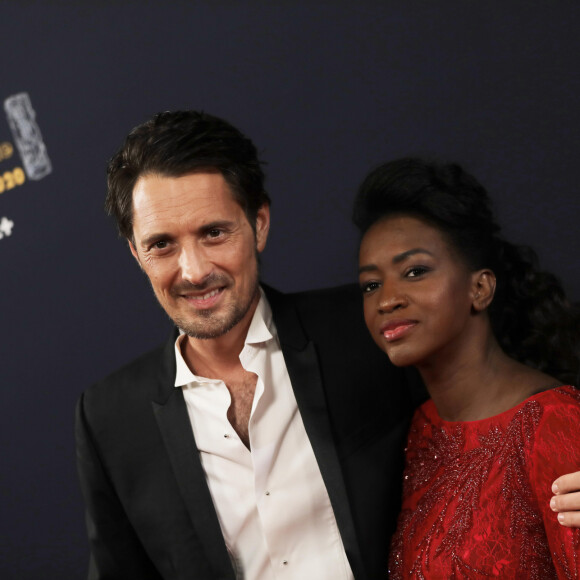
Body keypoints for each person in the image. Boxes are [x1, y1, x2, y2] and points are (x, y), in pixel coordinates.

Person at [75, 111, 423, 580]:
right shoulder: (110, 419)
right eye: (162, 244)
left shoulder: (363, 327)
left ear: (258, 223)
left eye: (213, 233)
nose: (194, 271)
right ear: (137, 254)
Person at [353, 157, 580, 578]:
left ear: (480, 287)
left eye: (415, 271)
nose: (387, 299)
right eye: (371, 284)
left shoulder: (553, 424)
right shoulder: (420, 429)